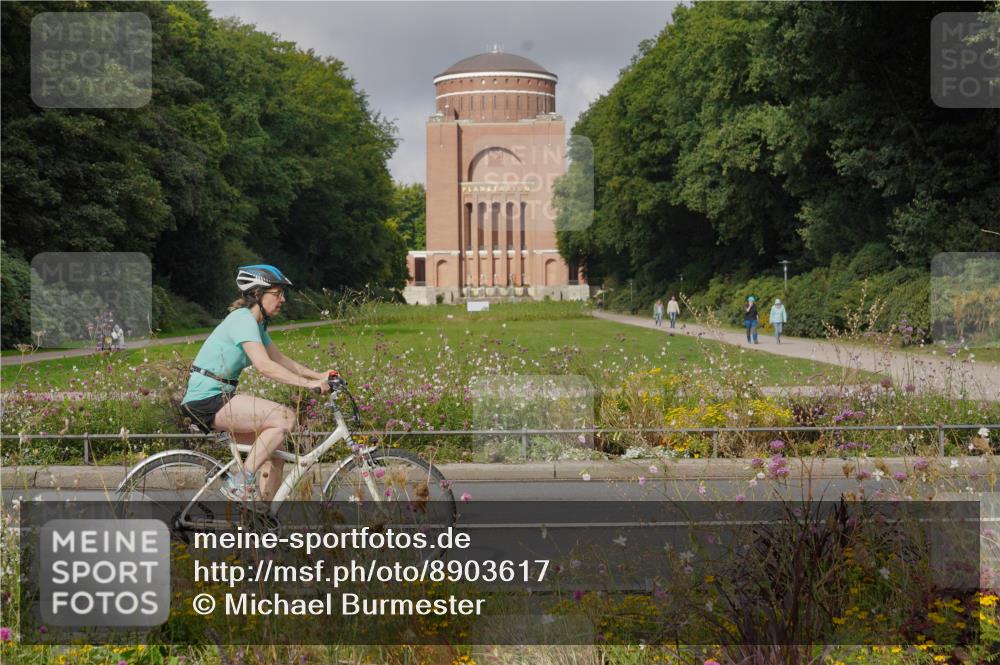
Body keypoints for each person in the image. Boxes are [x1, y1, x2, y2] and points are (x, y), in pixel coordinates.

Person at [179, 265, 335, 503]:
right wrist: (307, 385)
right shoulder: (242, 320)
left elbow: (280, 359)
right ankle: (240, 481)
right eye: (277, 293)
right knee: (284, 418)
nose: (282, 299)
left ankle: (258, 518)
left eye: (283, 294)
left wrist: (319, 376)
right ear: (257, 294)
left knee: (275, 455)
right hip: (206, 400)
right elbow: (265, 366)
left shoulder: (257, 324)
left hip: (220, 397)